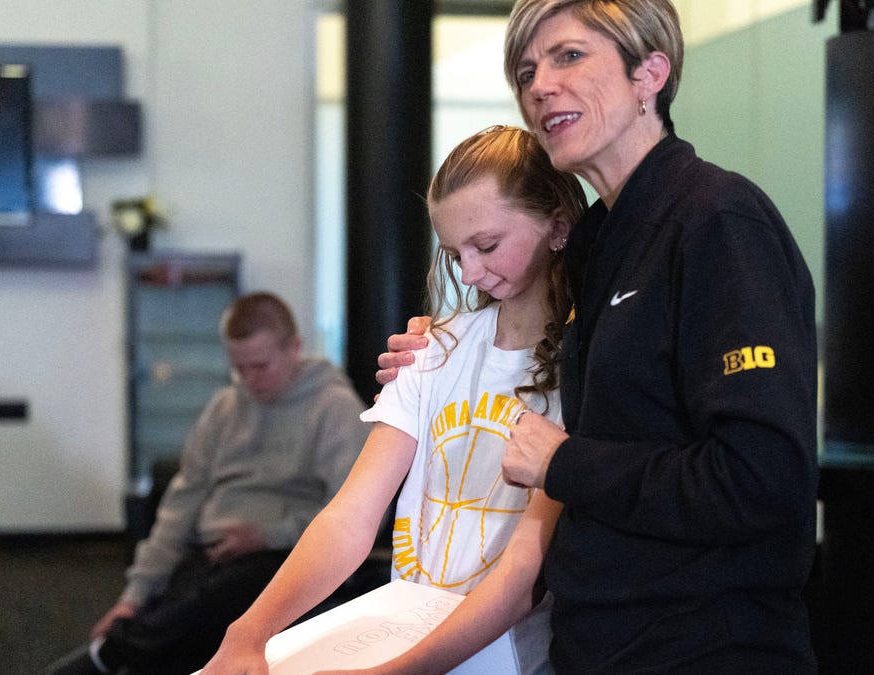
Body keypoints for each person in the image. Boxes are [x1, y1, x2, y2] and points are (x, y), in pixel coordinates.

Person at [375, 1, 819, 672]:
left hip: (703, 648)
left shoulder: (718, 222)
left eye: (570, 56)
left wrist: (566, 463)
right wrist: (437, 347)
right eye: (526, 71)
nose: (540, 86)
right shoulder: (594, 245)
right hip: (593, 645)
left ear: (651, 74)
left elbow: (762, 479)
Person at [199, 125, 586, 675]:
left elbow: (522, 575)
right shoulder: (431, 349)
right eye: (454, 253)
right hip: (403, 623)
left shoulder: (590, 366)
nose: (471, 272)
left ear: (559, 227)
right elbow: (351, 516)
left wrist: (399, 672)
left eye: (488, 245)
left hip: (508, 657)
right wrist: (250, 632)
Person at [46, 292, 369, 675]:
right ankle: (121, 647)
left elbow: (354, 511)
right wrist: (133, 598)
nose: (249, 380)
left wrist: (268, 535)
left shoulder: (336, 410)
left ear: (294, 349)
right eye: (239, 368)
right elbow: (181, 504)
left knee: (216, 598)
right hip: (213, 551)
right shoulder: (224, 408)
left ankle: (110, 654)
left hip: (286, 554)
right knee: (188, 608)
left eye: (260, 366)